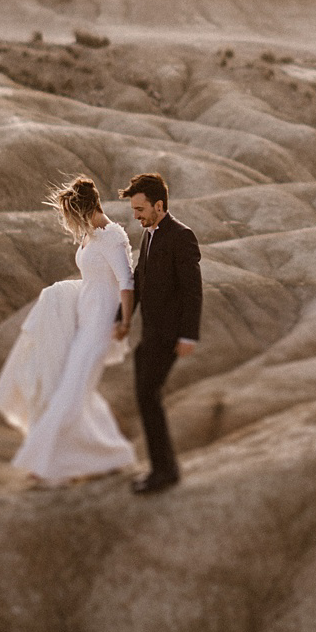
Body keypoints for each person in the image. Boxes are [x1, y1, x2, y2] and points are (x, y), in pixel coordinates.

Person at [0, 176, 138, 486]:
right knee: (76, 391)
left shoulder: (112, 237)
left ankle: (47, 467)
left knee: (71, 393)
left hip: (100, 326)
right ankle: (110, 456)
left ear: (84, 210)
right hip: (82, 321)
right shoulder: (91, 236)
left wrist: (124, 321)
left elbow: (126, 281)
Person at [118, 172, 203, 494]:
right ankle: (163, 468)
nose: (136, 216)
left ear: (159, 205)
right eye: (134, 210)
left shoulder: (181, 236)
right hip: (149, 333)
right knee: (146, 399)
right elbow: (139, 281)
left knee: (148, 398)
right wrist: (122, 319)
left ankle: (163, 472)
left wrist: (188, 336)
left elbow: (192, 290)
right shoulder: (148, 235)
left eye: (140, 210)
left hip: (168, 335)